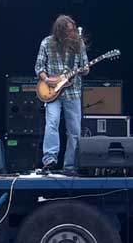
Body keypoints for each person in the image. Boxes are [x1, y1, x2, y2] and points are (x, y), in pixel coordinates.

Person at [35, 15, 89, 174]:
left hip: (73, 92)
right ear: (59, 32)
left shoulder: (78, 44)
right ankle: (49, 159)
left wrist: (85, 69)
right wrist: (47, 79)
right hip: (53, 92)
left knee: (74, 130)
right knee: (52, 122)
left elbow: (85, 67)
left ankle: (70, 165)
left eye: (72, 31)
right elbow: (39, 68)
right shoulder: (46, 43)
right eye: (67, 32)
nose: (71, 34)